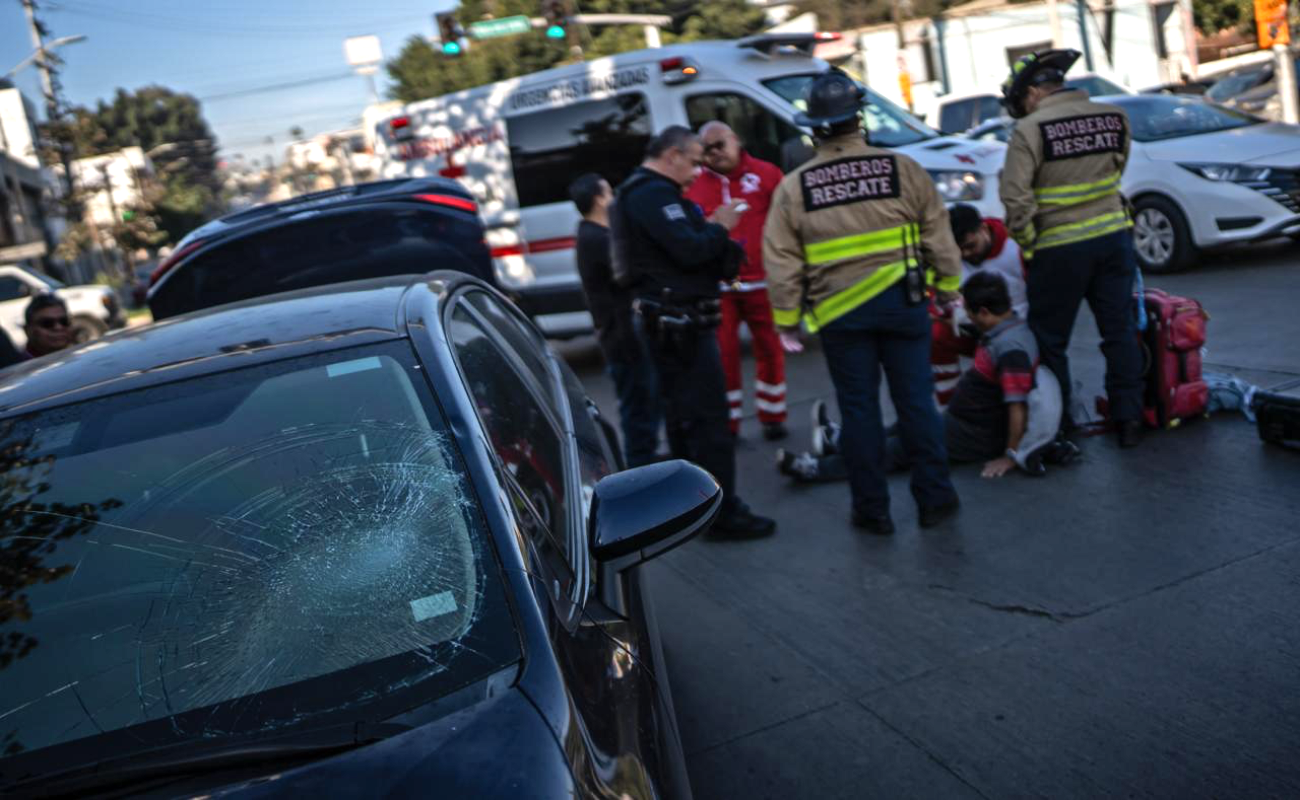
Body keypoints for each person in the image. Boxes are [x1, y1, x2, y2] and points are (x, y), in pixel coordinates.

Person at [763, 69, 963, 535]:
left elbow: (782, 261)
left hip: (839, 316)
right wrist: (948, 287)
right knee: (917, 405)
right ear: (860, 121)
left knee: (859, 412)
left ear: (813, 129)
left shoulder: (795, 187)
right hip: (903, 304)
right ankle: (936, 500)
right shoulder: (902, 169)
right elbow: (938, 234)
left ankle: (872, 511)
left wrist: (788, 322)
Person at [611, 125, 776, 538]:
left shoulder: (652, 194)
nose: (698, 174)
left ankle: (693, 509)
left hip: (675, 323)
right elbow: (691, 249)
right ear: (672, 155)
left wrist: (716, 243)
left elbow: (695, 250)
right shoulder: (651, 194)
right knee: (706, 423)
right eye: (695, 163)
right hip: (679, 326)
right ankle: (721, 514)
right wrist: (720, 226)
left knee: (686, 421)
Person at [779, 272, 1076, 482]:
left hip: (973, 435)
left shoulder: (1011, 350)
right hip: (960, 422)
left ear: (984, 312)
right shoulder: (1008, 328)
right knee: (903, 426)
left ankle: (816, 469)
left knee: (898, 450)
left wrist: (1011, 455)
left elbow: (1017, 406)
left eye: (970, 314)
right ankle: (839, 439)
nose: (967, 319)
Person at [1000, 48, 1144, 448]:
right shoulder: (1114, 117)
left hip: (1059, 248)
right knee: (1119, 332)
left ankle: (1061, 427)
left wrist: (1030, 245)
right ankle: (1129, 419)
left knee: (1051, 343)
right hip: (1114, 240)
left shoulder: (1028, 131)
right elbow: (1116, 170)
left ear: (1032, 93)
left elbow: (1016, 201)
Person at [684, 122, 788, 440]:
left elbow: (788, 221)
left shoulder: (768, 174)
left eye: (720, 144)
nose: (716, 153)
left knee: (770, 349)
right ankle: (728, 422)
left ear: (737, 140)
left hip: (763, 282)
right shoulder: (693, 185)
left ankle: (773, 416)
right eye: (708, 148)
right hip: (720, 288)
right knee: (723, 355)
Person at [568, 173, 662, 467]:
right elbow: (636, 272)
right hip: (624, 340)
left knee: (640, 404)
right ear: (598, 200)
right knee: (638, 408)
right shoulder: (598, 239)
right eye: (609, 193)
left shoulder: (591, 234)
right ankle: (641, 467)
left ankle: (645, 459)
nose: (614, 200)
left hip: (618, 337)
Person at [931, 204, 1029, 407]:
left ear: (983, 229)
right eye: (959, 250)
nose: (966, 254)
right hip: (976, 329)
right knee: (935, 334)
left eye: (970, 246)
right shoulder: (951, 257)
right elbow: (933, 299)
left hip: (1019, 334)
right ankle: (949, 408)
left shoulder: (1016, 247)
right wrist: (945, 312)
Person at [22, 294, 73, 360]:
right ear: (28, 330)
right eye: (47, 323)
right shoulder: (18, 366)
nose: (58, 327)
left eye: (64, 321)